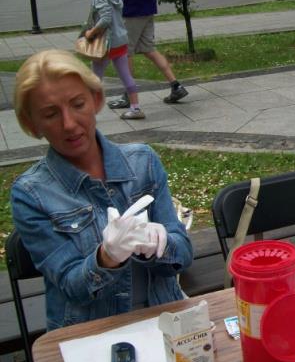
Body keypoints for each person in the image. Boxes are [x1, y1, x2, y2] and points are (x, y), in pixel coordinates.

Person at [10, 50, 193, 330]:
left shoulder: (142, 162)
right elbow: (71, 285)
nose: (69, 123)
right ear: (31, 124)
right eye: (50, 114)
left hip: (163, 321)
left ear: (96, 100)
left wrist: (161, 245)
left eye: (78, 104)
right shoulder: (31, 194)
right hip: (90, 334)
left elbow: (183, 254)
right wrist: (106, 258)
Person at [85, 0, 145, 120]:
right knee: (126, 76)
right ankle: (135, 108)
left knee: (95, 79)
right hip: (121, 41)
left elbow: (105, 19)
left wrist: (91, 33)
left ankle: (88, 113)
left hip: (106, 44)